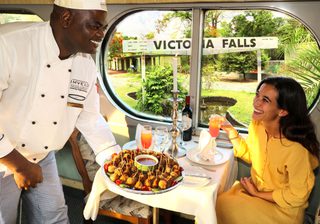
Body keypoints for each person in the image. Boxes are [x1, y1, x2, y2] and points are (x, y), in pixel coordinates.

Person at [0, 0, 121, 223]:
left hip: (44, 156)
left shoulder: (85, 64)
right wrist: (21, 166)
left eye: (103, 27)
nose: (101, 34)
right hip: (3, 157)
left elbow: (90, 118)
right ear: (66, 18)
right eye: (95, 25)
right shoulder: (8, 45)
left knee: (55, 218)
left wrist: (115, 160)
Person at [216, 77, 320, 224]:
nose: (256, 102)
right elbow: (252, 155)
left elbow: (297, 196)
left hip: (283, 209)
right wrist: (230, 130)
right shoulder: (258, 125)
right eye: (257, 94)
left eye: (265, 100)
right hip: (255, 193)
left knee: (224, 206)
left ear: (283, 111)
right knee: (219, 201)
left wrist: (257, 193)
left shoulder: (296, 149)